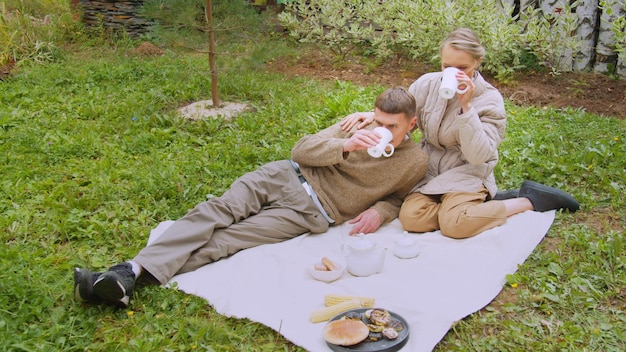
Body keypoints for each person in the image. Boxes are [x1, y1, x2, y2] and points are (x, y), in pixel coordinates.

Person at [74, 87, 429, 308]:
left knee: (226, 241)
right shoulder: (358, 126)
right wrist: (346, 144)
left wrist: (380, 213)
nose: (382, 130)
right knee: (217, 211)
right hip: (286, 175)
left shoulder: (415, 161)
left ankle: (124, 281)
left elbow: (399, 198)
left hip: (314, 213)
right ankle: (128, 272)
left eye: (392, 126)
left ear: (411, 124)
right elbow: (302, 149)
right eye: (379, 120)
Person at [341, 28, 579, 240]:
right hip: (430, 170)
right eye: (447, 67)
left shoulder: (490, 99)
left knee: (454, 226)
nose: (452, 73)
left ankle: (527, 200)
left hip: (468, 171)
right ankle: (470, 210)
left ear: (477, 62)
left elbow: (478, 155)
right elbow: (404, 114)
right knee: (412, 219)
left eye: (462, 67)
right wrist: (374, 116)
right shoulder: (426, 84)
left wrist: (466, 108)